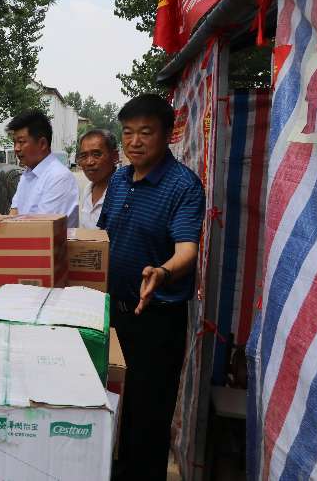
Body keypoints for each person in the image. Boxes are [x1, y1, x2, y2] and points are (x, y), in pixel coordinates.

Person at [97, 94, 205, 481]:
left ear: (168, 134)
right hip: (113, 315)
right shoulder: (119, 180)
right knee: (109, 408)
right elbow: (103, 238)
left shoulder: (183, 186)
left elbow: (187, 250)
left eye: (146, 132)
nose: (135, 142)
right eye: (128, 133)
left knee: (148, 418)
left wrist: (161, 272)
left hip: (156, 320)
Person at [7, 109, 79, 225]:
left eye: (21, 142)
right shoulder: (27, 174)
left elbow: (43, 228)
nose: (16, 148)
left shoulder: (59, 177)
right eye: (14, 142)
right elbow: (13, 214)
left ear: (42, 144)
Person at [77, 128, 119, 229]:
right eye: (84, 156)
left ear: (115, 156)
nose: (89, 162)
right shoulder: (87, 190)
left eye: (96, 155)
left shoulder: (123, 193)